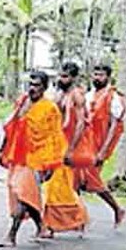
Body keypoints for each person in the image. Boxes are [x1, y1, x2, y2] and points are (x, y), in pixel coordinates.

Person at [0, 71, 67, 247]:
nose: (32, 88)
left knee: (23, 194)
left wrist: (52, 164)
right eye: (30, 84)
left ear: (44, 87)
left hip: (37, 159)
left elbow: (55, 137)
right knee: (23, 195)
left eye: (36, 85)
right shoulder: (22, 102)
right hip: (17, 156)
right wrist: (2, 148)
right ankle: (42, 226)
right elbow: (10, 126)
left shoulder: (50, 108)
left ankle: (11, 235)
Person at [75, 63, 126, 227]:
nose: (97, 78)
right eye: (95, 74)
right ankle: (78, 217)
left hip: (98, 146)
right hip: (84, 144)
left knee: (91, 180)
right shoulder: (89, 95)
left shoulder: (113, 97)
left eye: (100, 75)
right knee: (76, 179)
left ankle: (117, 209)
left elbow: (114, 125)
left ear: (108, 77)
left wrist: (103, 151)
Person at [42, 62, 90, 236]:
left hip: (65, 144)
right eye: (60, 75)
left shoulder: (76, 96)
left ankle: (55, 224)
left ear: (74, 78)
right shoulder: (59, 93)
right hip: (54, 143)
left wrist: (70, 149)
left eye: (65, 76)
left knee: (58, 186)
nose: (62, 79)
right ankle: (64, 221)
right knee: (53, 186)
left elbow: (80, 124)